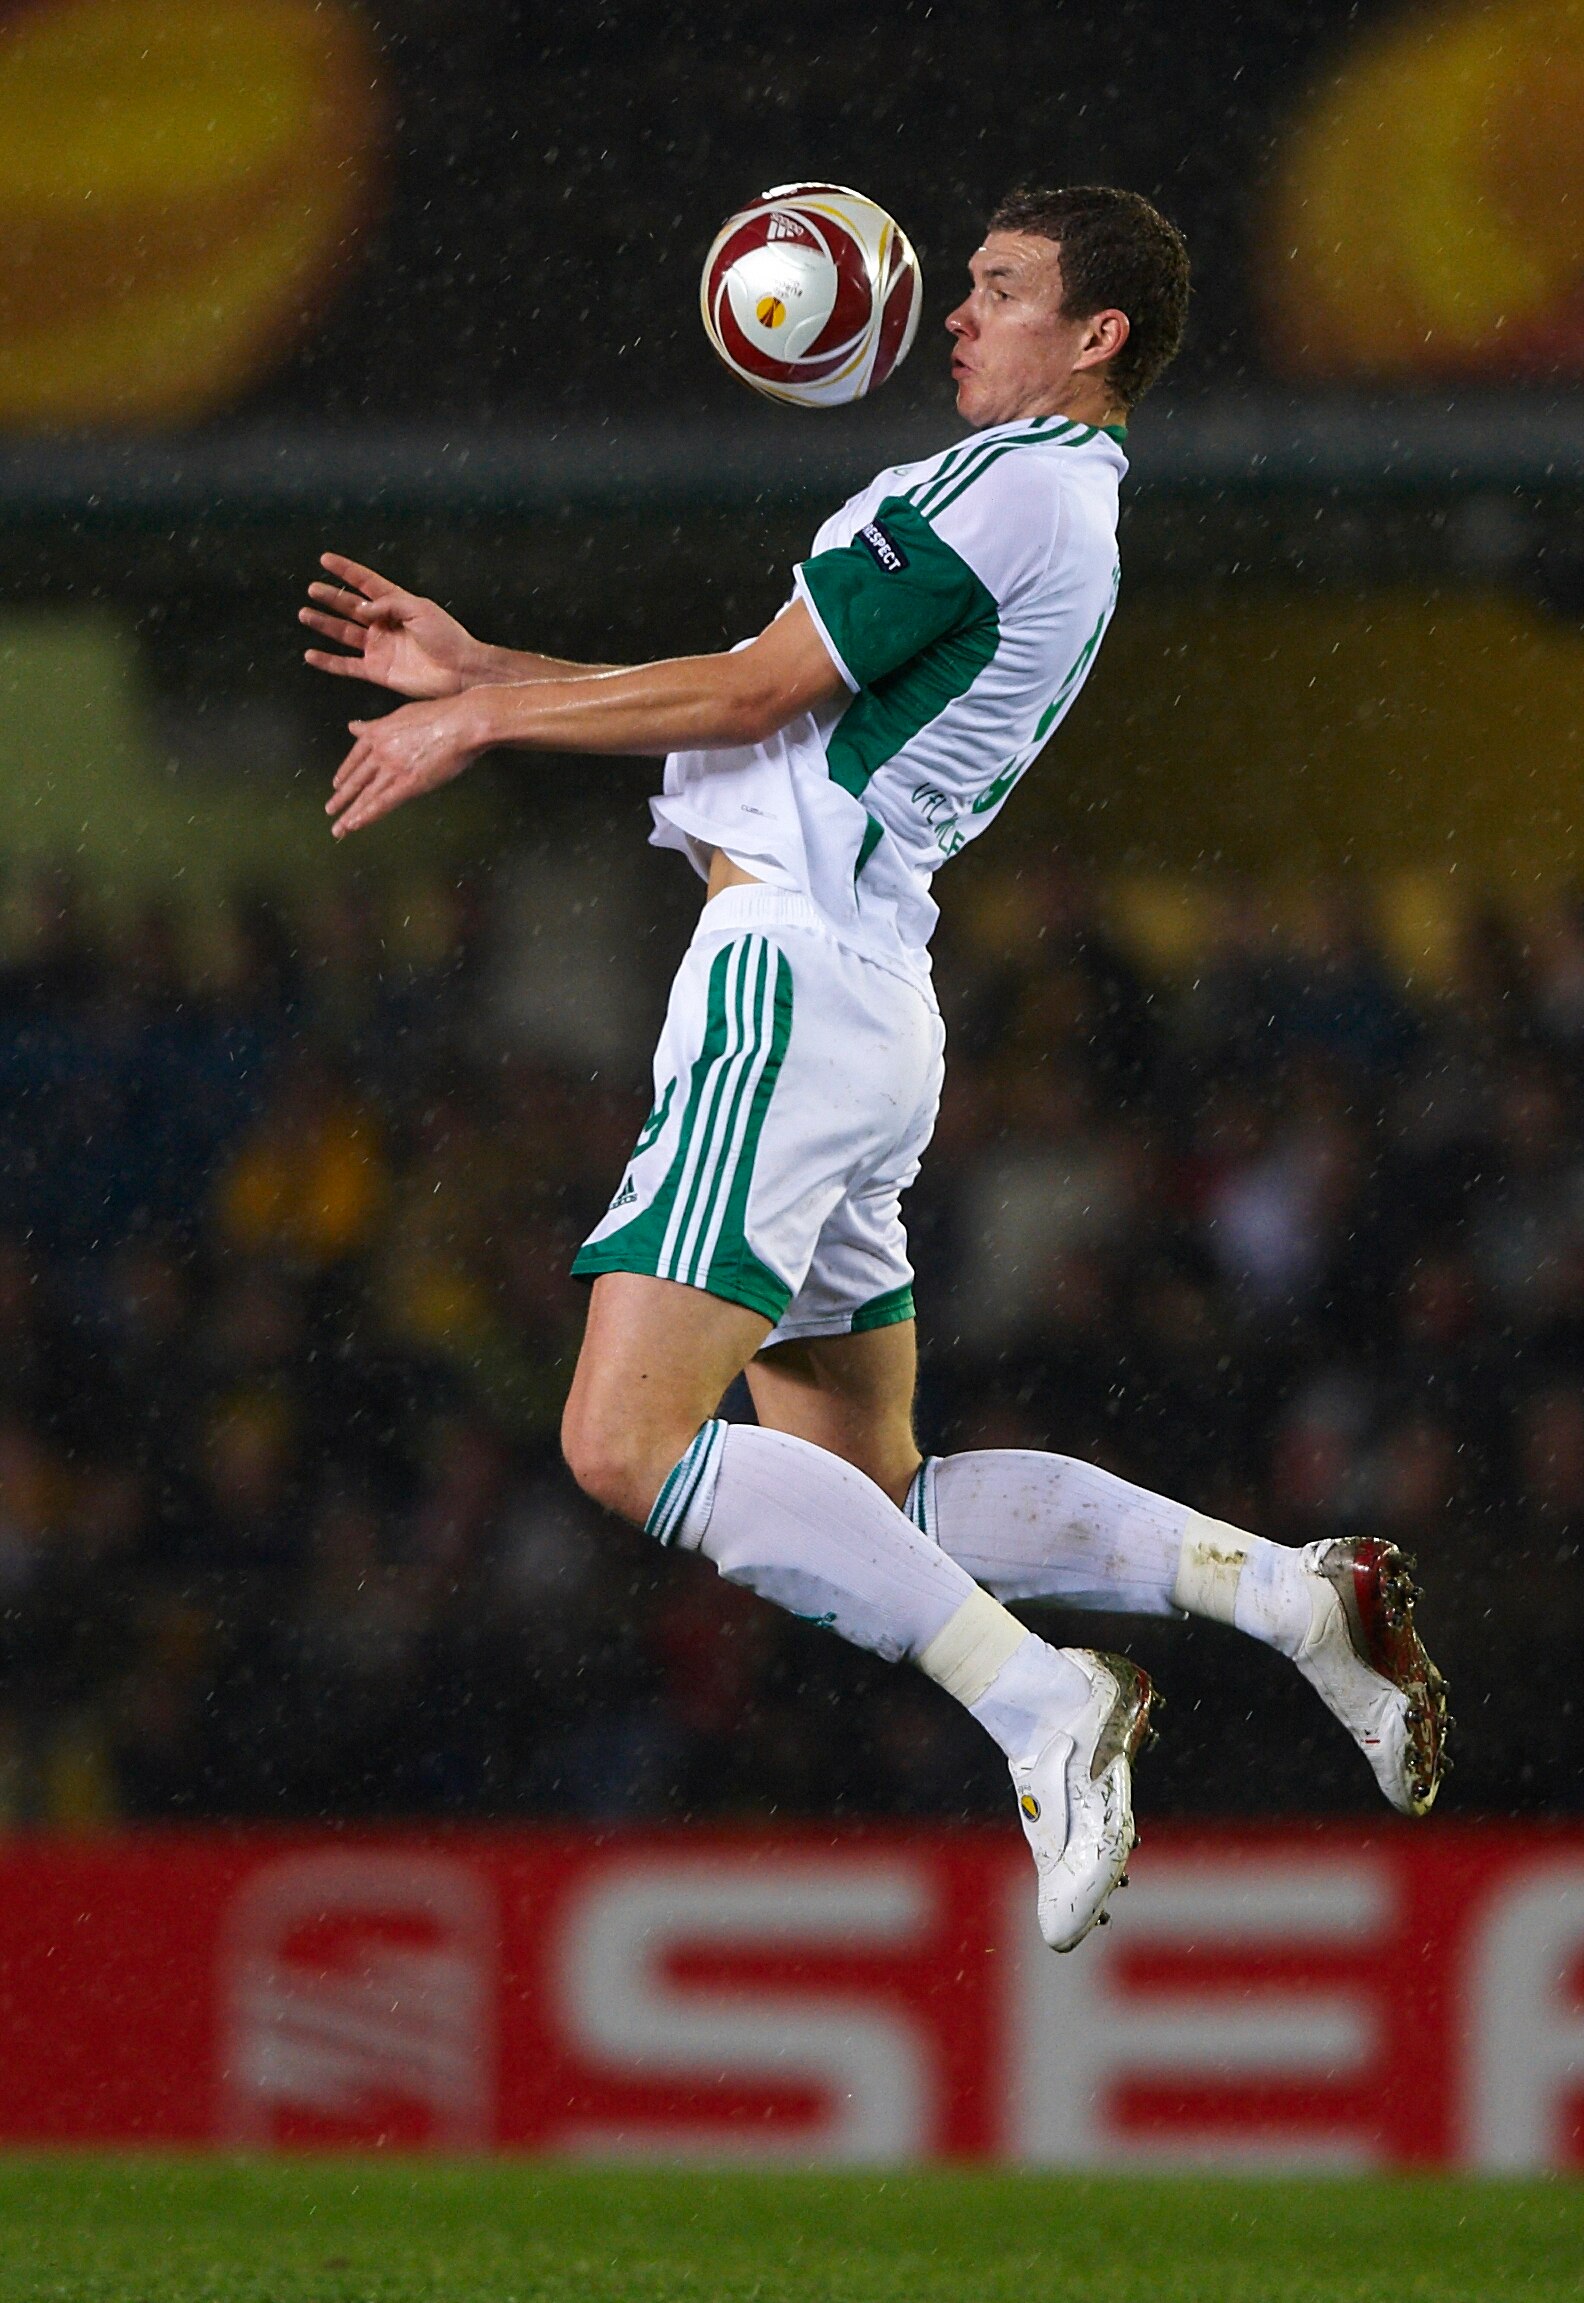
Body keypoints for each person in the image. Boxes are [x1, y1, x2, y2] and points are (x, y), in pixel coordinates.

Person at [300, 185, 1449, 1951]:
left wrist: (481, 717)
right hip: (864, 993)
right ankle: (1286, 1596)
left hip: (788, 985)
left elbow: (755, 699)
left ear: (1098, 337)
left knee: (623, 1442)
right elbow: (772, 704)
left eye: (997, 291)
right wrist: (495, 669)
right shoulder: (1060, 506)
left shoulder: (1008, 483)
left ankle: (1046, 1708)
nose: (958, 318)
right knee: (871, 1502)